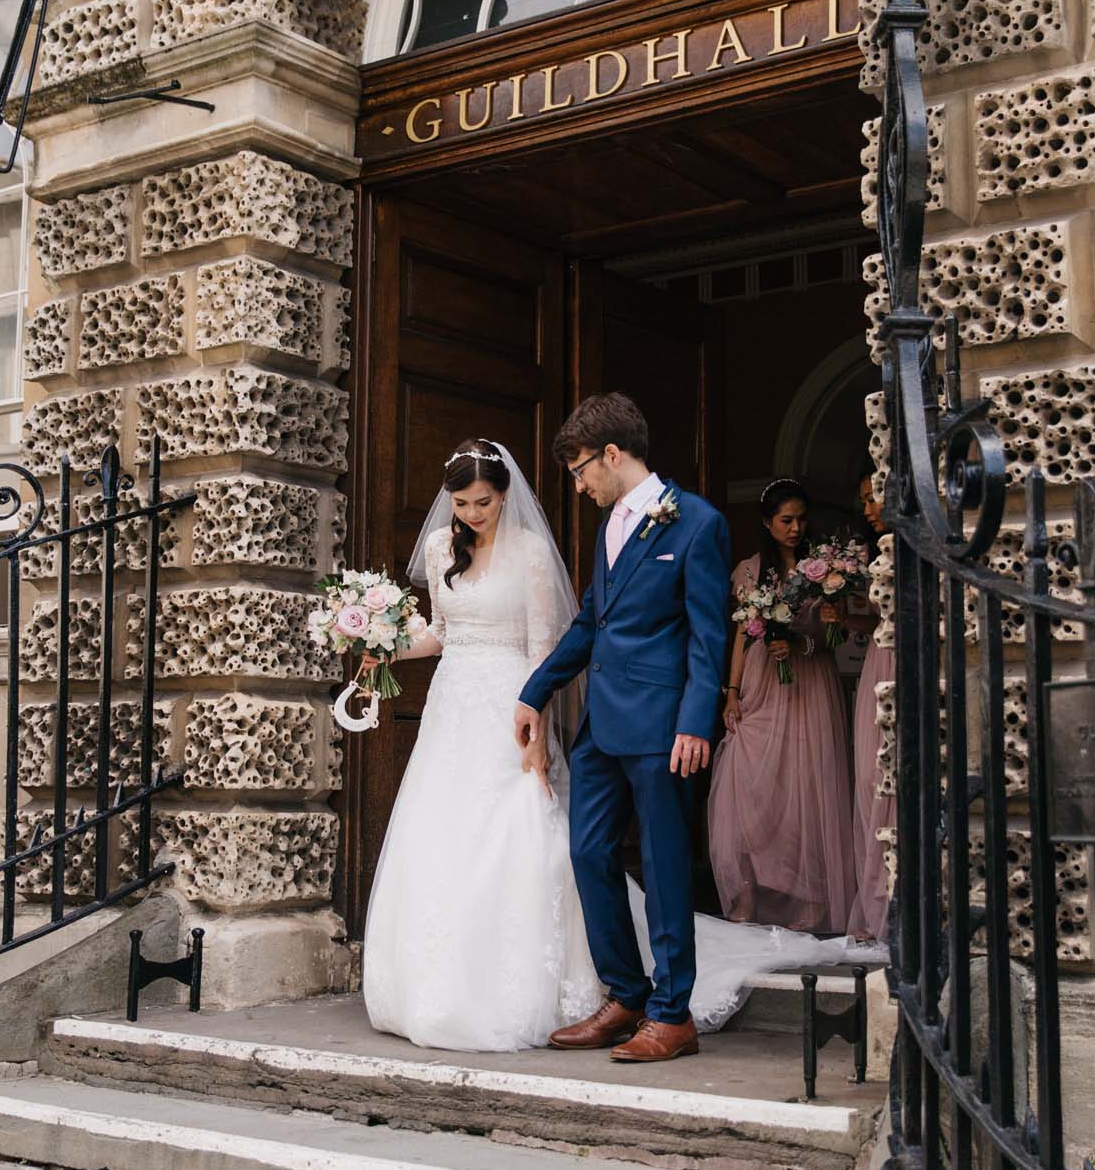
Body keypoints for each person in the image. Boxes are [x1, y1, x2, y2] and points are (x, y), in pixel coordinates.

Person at [363, 427, 871, 1056]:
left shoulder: (698, 523)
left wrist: (695, 721)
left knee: (661, 863)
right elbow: (588, 625)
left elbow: (708, 633)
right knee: (587, 852)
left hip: (661, 722)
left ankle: (670, 1013)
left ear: (610, 455)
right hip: (592, 721)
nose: (577, 486)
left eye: (580, 470)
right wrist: (531, 693)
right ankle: (625, 993)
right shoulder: (609, 526)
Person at [708, 478, 857, 935]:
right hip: (761, 684)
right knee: (747, 784)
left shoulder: (826, 571)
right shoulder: (751, 571)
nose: (795, 528)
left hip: (809, 684)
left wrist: (810, 640)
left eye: (800, 520)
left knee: (806, 787)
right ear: (767, 524)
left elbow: (840, 636)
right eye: (785, 520)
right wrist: (731, 692)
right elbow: (740, 635)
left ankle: (810, 905)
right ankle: (747, 895)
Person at [844, 474, 896, 944]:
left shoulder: (913, 548)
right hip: (877, 662)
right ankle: (875, 900)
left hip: (903, 661)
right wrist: (842, 617)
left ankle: (895, 903)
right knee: (869, 777)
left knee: (893, 783)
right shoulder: (875, 554)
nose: (866, 508)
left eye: (871, 497)